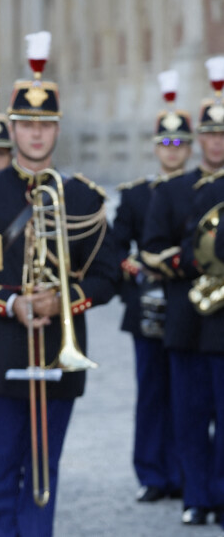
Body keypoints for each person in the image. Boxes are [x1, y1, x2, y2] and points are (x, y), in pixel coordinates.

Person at [0, 32, 118, 537]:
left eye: (44, 126)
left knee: (42, 482)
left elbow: (110, 275)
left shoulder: (84, 199)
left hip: (57, 356)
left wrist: (63, 299)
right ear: (11, 128)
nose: (35, 135)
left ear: (56, 131)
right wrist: (11, 301)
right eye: (26, 125)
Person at [141, 58, 224, 525]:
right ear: (200, 141)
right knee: (189, 416)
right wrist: (200, 260)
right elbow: (153, 249)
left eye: (222, 135)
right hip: (188, 317)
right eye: (210, 134)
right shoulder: (174, 191)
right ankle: (197, 495)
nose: (216, 142)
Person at [112, 71, 190, 503]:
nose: (172, 150)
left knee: (188, 395)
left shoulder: (198, 191)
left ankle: (184, 471)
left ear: (189, 148)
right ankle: (152, 472)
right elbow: (118, 245)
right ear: (156, 146)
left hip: (189, 305)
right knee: (151, 393)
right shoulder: (137, 195)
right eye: (166, 142)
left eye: (180, 143)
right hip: (148, 305)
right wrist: (136, 270)